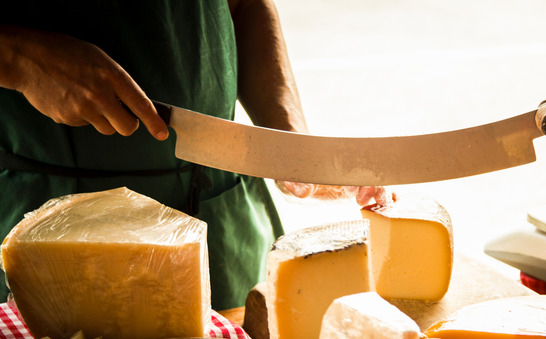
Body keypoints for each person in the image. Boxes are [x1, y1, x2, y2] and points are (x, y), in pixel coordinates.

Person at [0, 1, 385, 310]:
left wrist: (287, 140)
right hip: (53, 227)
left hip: (224, 216)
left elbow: (244, 6)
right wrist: (18, 56)